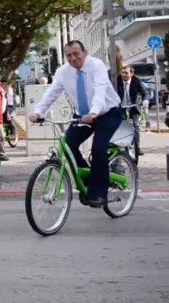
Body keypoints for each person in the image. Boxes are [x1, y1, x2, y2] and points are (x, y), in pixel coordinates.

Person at [30, 40, 122, 208]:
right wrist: (37, 112)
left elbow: (100, 89)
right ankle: (88, 182)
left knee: (98, 148)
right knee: (69, 145)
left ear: (84, 52)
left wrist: (94, 112)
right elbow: (51, 93)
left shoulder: (96, 65)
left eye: (76, 54)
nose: (73, 58)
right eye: (69, 55)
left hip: (108, 112)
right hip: (81, 116)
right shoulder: (63, 72)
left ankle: (98, 194)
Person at [117, 65, 148, 157]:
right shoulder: (117, 80)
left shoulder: (136, 80)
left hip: (133, 106)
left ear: (131, 73)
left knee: (135, 125)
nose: (124, 75)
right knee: (120, 124)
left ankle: (137, 147)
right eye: (122, 73)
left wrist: (145, 100)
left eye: (126, 73)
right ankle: (120, 145)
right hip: (120, 106)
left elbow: (144, 92)